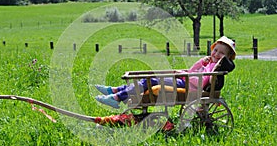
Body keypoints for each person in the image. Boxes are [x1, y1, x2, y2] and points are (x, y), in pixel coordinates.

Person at [95, 36, 236, 108]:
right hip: (183, 81)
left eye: (221, 53)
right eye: (215, 50)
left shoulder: (214, 69)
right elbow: (193, 70)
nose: (216, 54)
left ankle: (117, 97)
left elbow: (200, 81)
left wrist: (183, 74)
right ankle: (115, 91)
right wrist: (201, 62)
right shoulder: (208, 63)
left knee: (151, 80)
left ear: (226, 57)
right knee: (148, 80)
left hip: (186, 85)